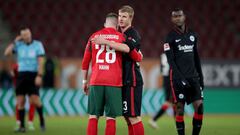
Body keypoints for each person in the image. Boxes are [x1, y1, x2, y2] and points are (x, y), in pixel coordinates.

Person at [82, 13, 130, 135]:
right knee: (111, 117)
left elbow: (85, 61)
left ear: (105, 24)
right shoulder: (121, 37)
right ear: (117, 25)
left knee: (93, 116)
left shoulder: (94, 36)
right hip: (114, 82)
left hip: (96, 80)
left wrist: (84, 81)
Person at [163, 8, 204, 135]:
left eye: (179, 15)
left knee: (200, 108)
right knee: (179, 110)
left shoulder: (193, 35)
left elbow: (196, 58)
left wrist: (201, 77)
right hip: (177, 78)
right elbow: (170, 61)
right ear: (172, 19)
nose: (177, 18)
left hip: (193, 78)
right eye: (175, 16)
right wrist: (181, 78)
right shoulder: (169, 37)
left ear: (184, 17)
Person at [4, 27, 46, 132]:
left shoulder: (37, 45)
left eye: (27, 34)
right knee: (20, 101)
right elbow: (7, 53)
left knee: (35, 100)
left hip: (33, 75)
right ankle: (22, 126)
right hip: (21, 75)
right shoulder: (18, 45)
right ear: (21, 36)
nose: (26, 36)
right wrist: (14, 41)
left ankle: (41, 121)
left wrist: (39, 75)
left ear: (30, 33)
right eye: (24, 35)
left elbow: (41, 61)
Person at [118, 5, 145, 135]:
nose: (121, 19)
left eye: (124, 16)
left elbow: (127, 48)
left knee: (134, 117)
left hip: (132, 80)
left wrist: (107, 42)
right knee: (127, 118)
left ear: (131, 18)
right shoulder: (119, 34)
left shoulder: (133, 34)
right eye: (119, 16)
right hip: (123, 81)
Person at [148, 53, 175, 129]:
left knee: (173, 101)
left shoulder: (163, 55)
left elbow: (161, 69)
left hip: (165, 78)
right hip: (170, 78)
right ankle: (153, 119)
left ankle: (178, 122)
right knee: (170, 101)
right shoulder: (173, 53)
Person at [11, 63, 36, 131]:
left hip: (30, 84)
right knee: (20, 103)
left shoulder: (32, 64)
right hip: (21, 84)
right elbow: (14, 76)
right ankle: (18, 122)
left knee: (32, 102)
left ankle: (30, 122)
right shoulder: (17, 65)